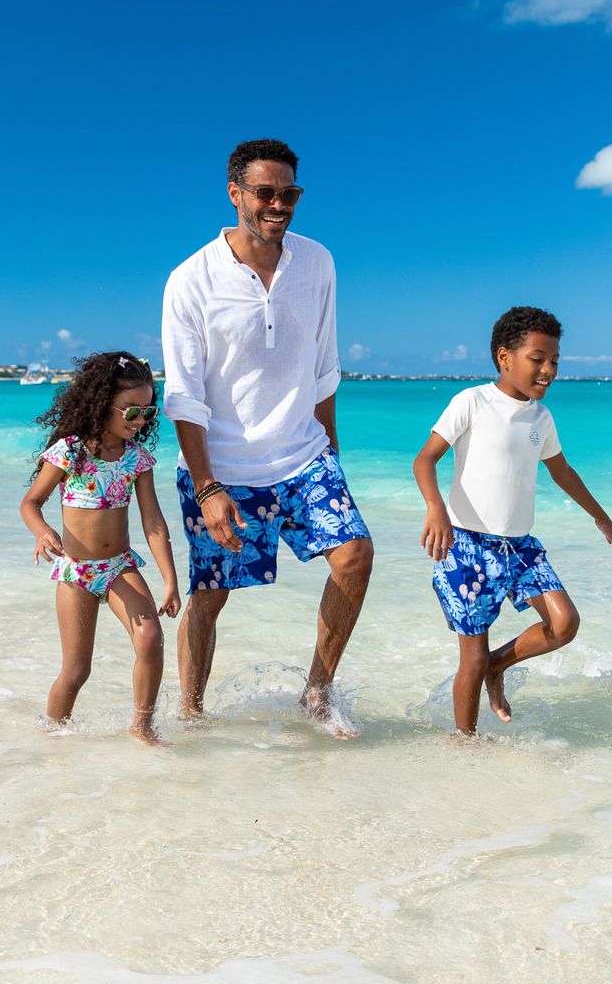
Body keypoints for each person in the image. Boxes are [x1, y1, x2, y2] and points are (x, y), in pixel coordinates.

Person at [162, 138, 375, 734]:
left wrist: (331, 452)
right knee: (210, 597)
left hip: (304, 455)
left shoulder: (319, 263)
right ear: (235, 194)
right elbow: (183, 395)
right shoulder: (190, 279)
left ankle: (316, 692)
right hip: (222, 469)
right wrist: (206, 487)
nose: (278, 205)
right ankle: (191, 713)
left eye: (289, 194)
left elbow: (325, 365)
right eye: (265, 193)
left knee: (355, 555)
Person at [414, 307, 612, 736]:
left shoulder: (541, 418)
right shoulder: (471, 402)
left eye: (554, 362)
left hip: (519, 546)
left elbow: (562, 472)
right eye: (538, 358)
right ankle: (466, 745)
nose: (548, 370)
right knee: (470, 658)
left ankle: (498, 665)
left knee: (564, 623)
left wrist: (603, 520)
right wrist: (436, 509)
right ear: (504, 357)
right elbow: (425, 459)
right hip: (466, 547)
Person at [19, 351, 182, 746]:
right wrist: (42, 532)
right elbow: (30, 503)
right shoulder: (69, 452)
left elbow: (153, 522)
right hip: (76, 572)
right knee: (76, 671)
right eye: (130, 412)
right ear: (101, 403)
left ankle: (142, 727)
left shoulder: (137, 460)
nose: (140, 420)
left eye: (147, 412)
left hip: (119, 567)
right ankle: (53, 738)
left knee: (150, 641)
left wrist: (170, 580)